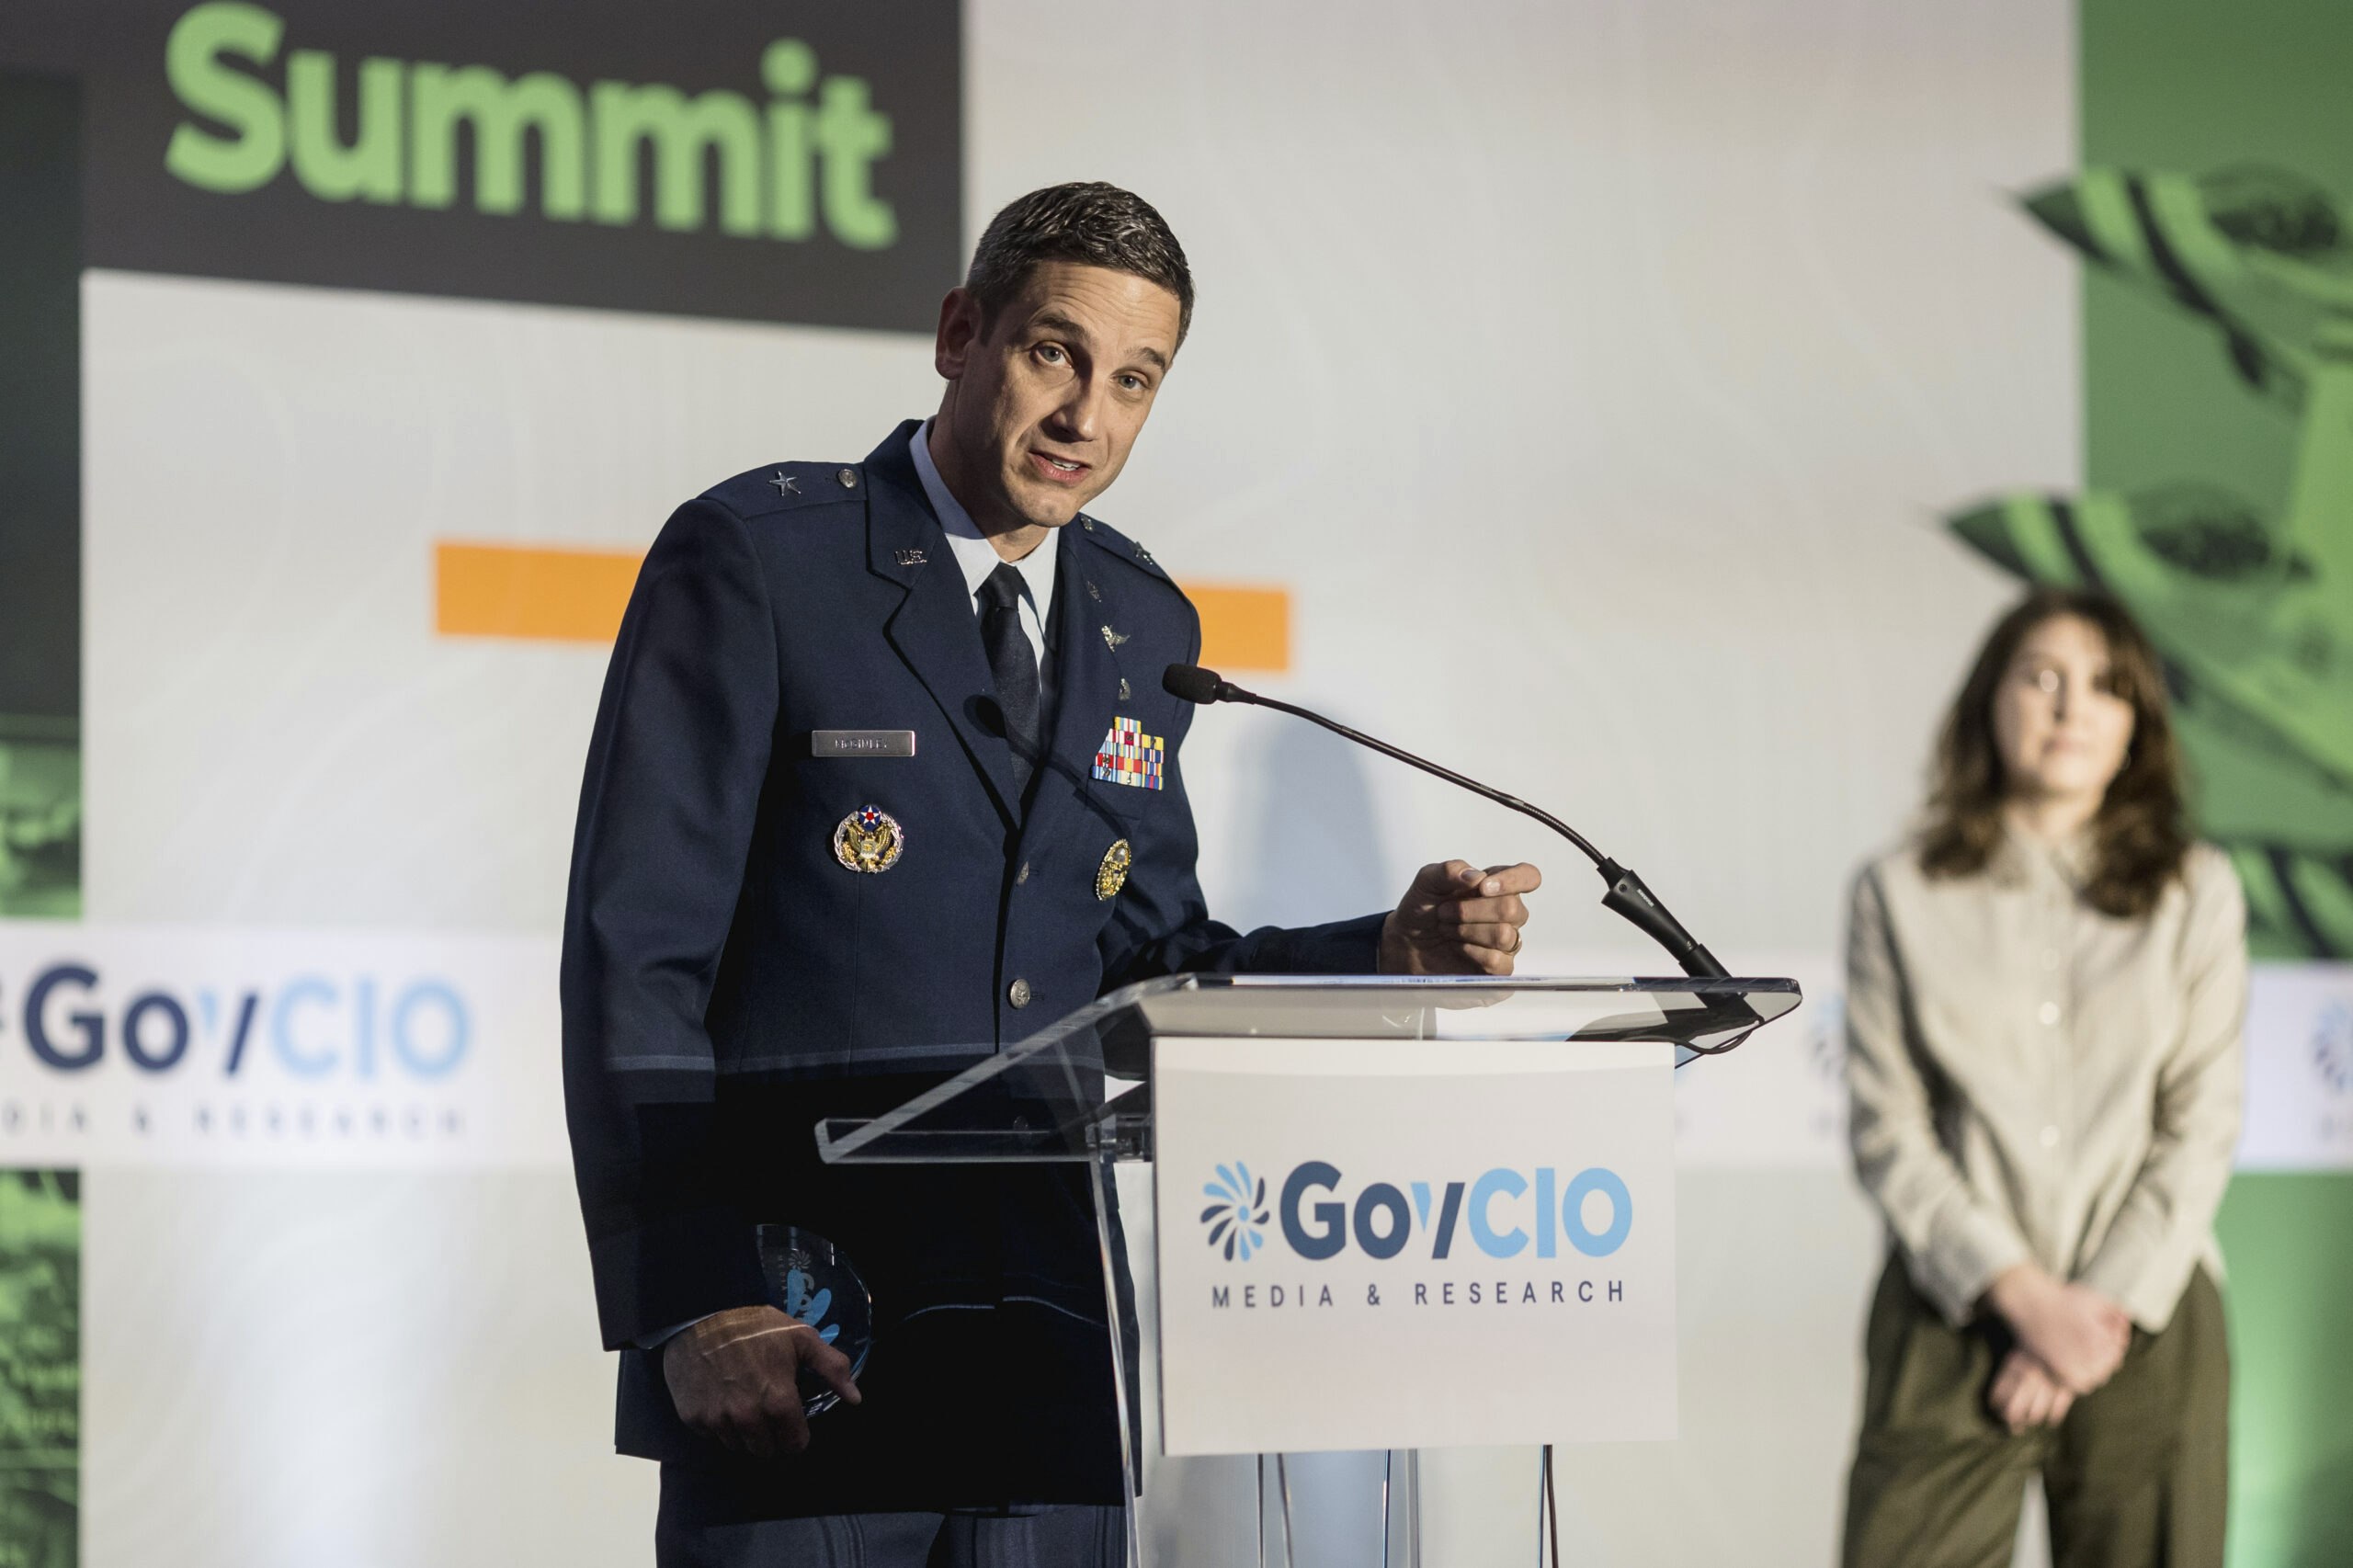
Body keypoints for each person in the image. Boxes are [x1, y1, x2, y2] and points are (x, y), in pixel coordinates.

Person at [560, 181, 1543, 1568]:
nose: (1088, 415)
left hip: (1050, 1351)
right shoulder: (766, 559)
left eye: (1135, 379)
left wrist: (1382, 951)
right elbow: (637, 962)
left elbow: (1147, 962)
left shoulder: (1143, 622)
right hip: (803, 1335)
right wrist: (692, 1296)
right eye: (1053, 353)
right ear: (961, 334)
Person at [1839, 588, 2244, 1567]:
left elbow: (2199, 1125)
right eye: (2041, 677)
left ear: (2136, 724)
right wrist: (2026, 1301)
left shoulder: (2197, 889)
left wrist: (2094, 1314)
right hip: (1953, 1310)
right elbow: (1889, 1129)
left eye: (2105, 686)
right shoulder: (1898, 890)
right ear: (1990, 700)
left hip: (2148, 1312)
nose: (2071, 707)